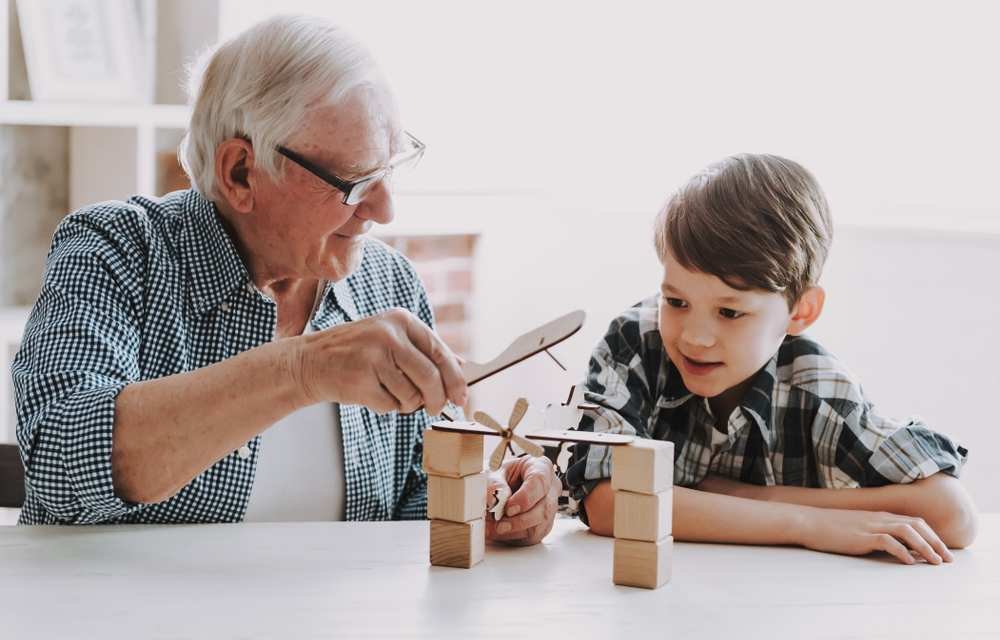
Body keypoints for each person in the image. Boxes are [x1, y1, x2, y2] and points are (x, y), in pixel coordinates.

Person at [11, 14, 559, 543]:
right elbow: (59, 461)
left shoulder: (389, 285)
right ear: (240, 172)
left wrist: (487, 502)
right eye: (355, 181)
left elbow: (407, 499)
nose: (386, 210)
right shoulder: (116, 250)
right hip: (122, 631)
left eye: (388, 170)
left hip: (328, 636)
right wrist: (303, 367)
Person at [566, 153, 977, 564]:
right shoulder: (635, 342)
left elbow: (954, 515)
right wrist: (803, 522)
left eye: (730, 312)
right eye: (676, 301)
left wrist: (756, 497)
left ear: (800, 311)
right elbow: (606, 502)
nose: (694, 336)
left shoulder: (815, 387)